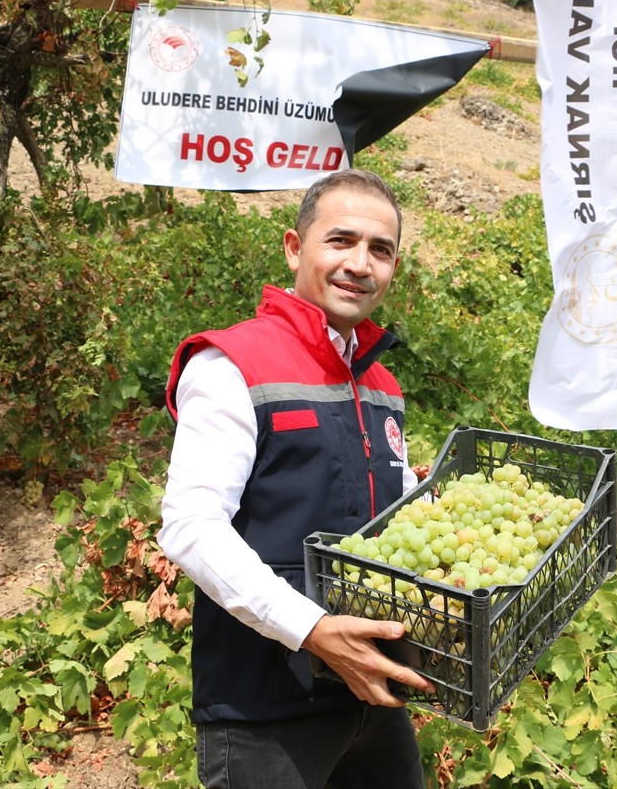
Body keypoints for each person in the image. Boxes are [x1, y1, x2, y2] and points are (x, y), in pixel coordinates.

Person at [159, 168, 435, 789]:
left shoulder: (382, 384)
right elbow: (189, 526)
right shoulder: (233, 364)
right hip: (264, 706)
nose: (360, 264)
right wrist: (311, 630)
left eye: (380, 250)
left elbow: (376, 530)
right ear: (294, 247)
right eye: (340, 241)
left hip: (371, 695)